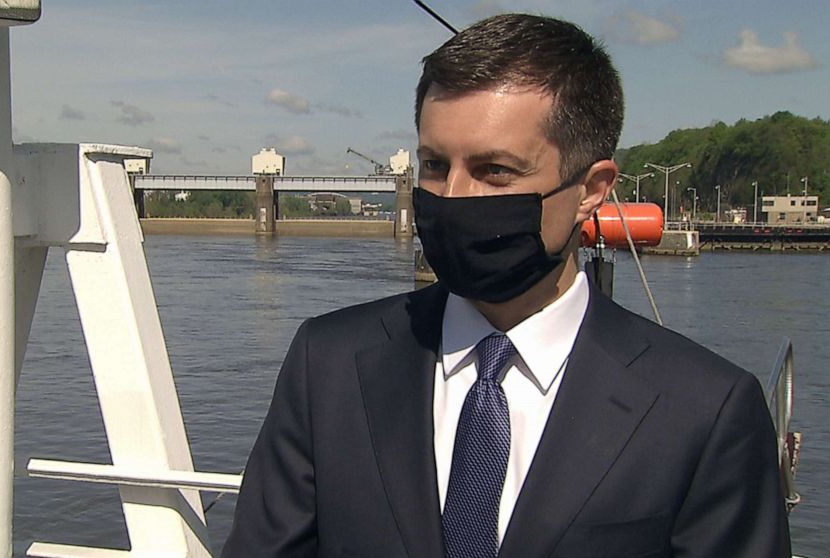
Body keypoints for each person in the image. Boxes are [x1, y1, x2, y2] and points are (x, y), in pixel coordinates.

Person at [223, 13, 790, 558]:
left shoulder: (706, 410)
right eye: (436, 166)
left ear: (591, 188)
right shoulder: (328, 366)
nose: (454, 198)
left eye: (496, 171)